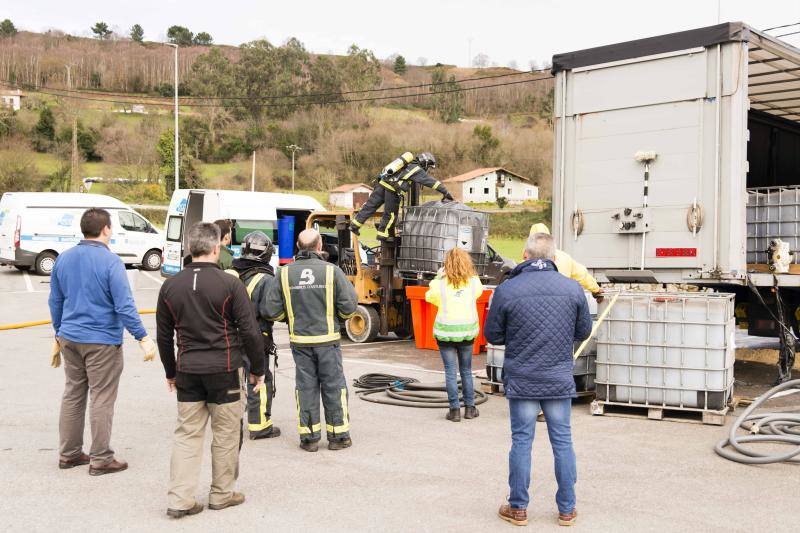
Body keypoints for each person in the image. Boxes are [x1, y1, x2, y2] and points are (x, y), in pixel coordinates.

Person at [156, 222, 265, 518]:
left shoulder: (170, 285)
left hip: (188, 370)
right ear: (217, 248)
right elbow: (251, 332)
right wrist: (258, 369)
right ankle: (222, 493)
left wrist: (170, 372)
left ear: (191, 248)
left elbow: (164, 336)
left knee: (187, 435)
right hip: (225, 369)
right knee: (226, 434)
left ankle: (180, 499)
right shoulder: (230, 284)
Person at [484, 232, 592, 528]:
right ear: (554, 258)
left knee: (521, 441)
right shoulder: (572, 289)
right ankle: (567, 510)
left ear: (525, 255)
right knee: (563, 442)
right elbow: (583, 331)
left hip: (522, 377)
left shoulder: (507, 290)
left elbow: (492, 335)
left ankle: (518, 508)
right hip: (557, 377)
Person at [48, 208, 157, 475]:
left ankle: (69, 454)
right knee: (101, 397)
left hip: (70, 338)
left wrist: (58, 333)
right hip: (102, 342)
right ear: (106, 229)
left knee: (73, 394)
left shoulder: (64, 259)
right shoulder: (111, 262)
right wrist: (142, 337)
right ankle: (101, 459)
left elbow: (55, 301)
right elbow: (124, 306)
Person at [265, 228, 358, 452]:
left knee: (306, 388)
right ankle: (338, 437)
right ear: (319, 247)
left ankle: (309, 439)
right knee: (334, 387)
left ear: (298, 247)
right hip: (328, 341)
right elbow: (349, 306)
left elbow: (271, 310)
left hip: (300, 341)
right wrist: (336, 318)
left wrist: (290, 318)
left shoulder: (284, 273)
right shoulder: (332, 271)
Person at [226, 231, 281, 440]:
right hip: (256, 336)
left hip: (229, 336)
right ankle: (260, 426)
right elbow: (270, 311)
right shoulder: (266, 279)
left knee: (233, 380)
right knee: (259, 378)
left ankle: (230, 423)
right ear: (266, 255)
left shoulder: (231, 273)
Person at [425, 248, 484, 422]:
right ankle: (470, 408)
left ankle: (454, 410)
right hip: (467, 332)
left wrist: (438, 277)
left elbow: (430, 297)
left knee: (450, 371)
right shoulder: (473, 282)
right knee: (466, 370)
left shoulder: (440, 283)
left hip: (445, 333)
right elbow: (479, 293)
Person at [350, 152, 453, 240]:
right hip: (393, 189)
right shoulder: (417, 170)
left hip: (382, 183)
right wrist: (445, 192)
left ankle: (354, 225)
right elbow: (432, 182)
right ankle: (382, 234)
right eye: (429, 167)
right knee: (390, 214)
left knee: (370, 206)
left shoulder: (406, 164)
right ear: (426, 163)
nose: (428, 169)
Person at [528, 223, 603, 302]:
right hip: (561, 303)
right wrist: (596, 289)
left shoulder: (526, 258)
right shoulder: (564, 257)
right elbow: (582, 275)